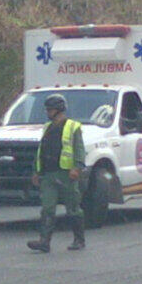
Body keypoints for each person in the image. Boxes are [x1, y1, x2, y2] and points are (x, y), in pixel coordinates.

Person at [27, 94, 86, 253]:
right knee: (47, 208)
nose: (47, 112)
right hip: (48, 175)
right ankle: (44, 241)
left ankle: (79, 239)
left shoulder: (72, 127)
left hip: (66, 175)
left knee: (73, 208)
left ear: (58, 109)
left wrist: (77, 167)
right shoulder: (47, 127)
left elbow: (79, 149)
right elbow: (41, 151)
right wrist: (36, 171)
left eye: (50, 109)